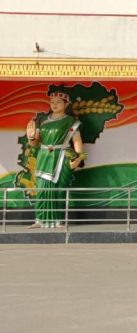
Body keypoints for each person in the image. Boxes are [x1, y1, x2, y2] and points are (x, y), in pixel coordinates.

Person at [24, 88, 85, 228]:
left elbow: (77, 141)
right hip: (44, 157)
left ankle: (58, 220)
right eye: (52, 102)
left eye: (58, 102)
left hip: (62, 158)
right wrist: (31, 137)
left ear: (66, 104)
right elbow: (34, 144)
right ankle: (40, 220)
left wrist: (79, 158)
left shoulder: (71, 122)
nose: (54, 105)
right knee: (41, 189)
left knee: (59, 190)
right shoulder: (42, 120)